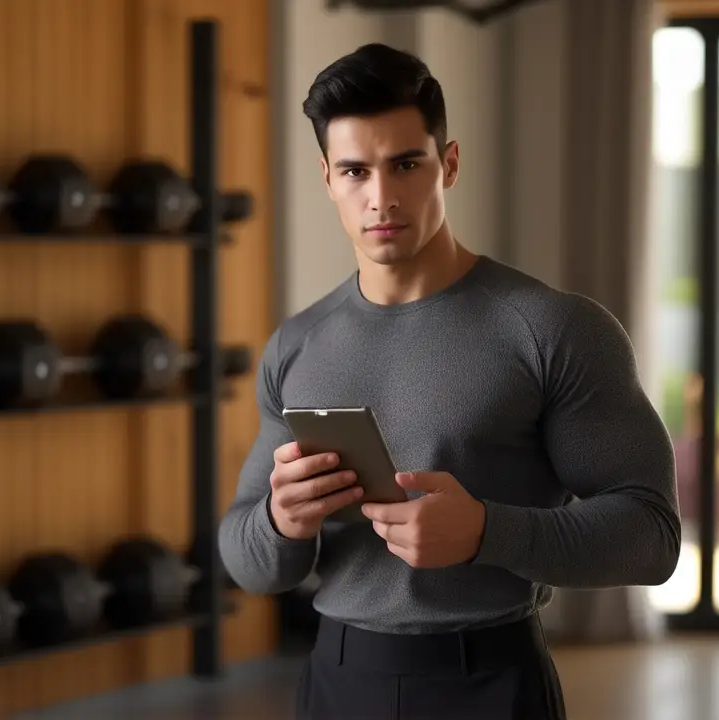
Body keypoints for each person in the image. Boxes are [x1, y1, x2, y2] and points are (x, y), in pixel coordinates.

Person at [217, 42, 681, 720]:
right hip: (337, 683)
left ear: (450, 164)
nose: (381, 197)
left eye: (406, 164)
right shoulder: (297, 345)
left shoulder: (554, 328)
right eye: (355, 171)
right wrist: (280, 522)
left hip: (491, 684)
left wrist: (489, 531)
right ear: (327, 179)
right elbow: (247, 561)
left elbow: (652, 535)